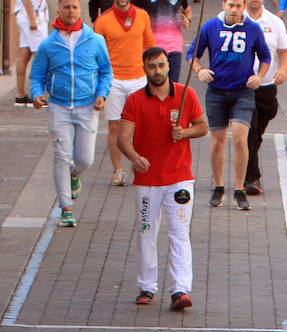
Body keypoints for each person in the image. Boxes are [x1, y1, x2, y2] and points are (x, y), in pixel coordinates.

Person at [118, 47, 210, 311]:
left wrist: (185, 133)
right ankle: (147, 286)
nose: (157, 71)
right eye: (152, 67)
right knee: (147, 233)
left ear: (168, 66)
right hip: (147, 181)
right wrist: (135, 157)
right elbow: (122, 138)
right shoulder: (135, 100)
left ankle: (180, 289)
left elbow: (202, 127)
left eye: (161, 66)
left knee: (179, 233)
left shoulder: (186, 94)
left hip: (180, 178)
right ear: (144, 69)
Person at [30, 0, 113, 228]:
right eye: (66, 7)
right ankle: (66, 208)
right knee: (61, 155)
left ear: (80, 10)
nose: (70, 11)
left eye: (74, 7)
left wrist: (102, 94)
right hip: (59, 106)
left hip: (87, 106)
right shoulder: (48, 44)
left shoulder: (95, 40)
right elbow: (37, 76)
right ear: (59, 10)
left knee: (85, 159)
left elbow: (106, 71)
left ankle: (74, 174)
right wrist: (37, 94)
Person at [189, 0, 270, 210]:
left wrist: (259, 76)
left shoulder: (252, 28)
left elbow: (265, 56)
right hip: (217, 90)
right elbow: (192, 54)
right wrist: (199, 70)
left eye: (238, 6)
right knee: (217, 140)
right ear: (224, 4)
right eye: (231, 5)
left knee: (239, 138)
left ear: (243, 7)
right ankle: (218, 186)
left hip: (243, 91)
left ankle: (239, 188)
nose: (234, 10)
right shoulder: (210, 27)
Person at [95, 0, 157, 186]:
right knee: (115, 126)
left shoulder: (143, 16)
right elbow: (96, 52)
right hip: (113, 80)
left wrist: (154, 74)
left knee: (142, 125)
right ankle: (118, 170)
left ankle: (140, 165)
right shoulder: (103, 21)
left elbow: (150, 46)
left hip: (138, 78)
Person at [241, 0, 287, 197]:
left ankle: (248, 162)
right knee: (250, 130)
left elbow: (285, 51)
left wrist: (283, 69)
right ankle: (251, 177)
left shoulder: (274, 22)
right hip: (243, 86)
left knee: (260, 126)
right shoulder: (234, 17)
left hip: (267, 85)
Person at [13, 0, 50, 107]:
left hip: (29, 14)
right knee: (40, 55)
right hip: (33, 15)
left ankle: (20, 94)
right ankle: (38, 95)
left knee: (25, 52)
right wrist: (32, 19)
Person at [150, 0, 192, 83]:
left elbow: (187, 10)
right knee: (153, 87)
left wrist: (188, 21)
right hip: (151, 48)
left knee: (173, 86)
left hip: (174, 47)